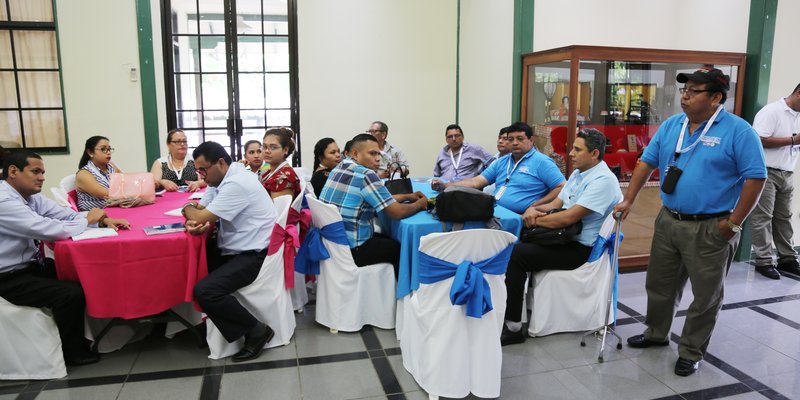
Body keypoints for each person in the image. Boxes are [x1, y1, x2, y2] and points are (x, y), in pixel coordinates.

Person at [615, 67, 766, 377]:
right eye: (684, 90)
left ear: (715, 98)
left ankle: (691, 350)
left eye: (694, 91)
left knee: (706, 295)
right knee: (660, 284)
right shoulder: (673, 126)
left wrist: (734, 223)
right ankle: (657, 333)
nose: (684, 95)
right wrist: (629, 199)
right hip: (669, 221)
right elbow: (647, 162)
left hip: (712, 227)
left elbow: (756, 178)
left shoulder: (738, 131)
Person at [0, 149, 129, 366]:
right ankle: (73, 352)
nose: (42, 177)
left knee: (80, 272)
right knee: (70, 294)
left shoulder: (29, 197)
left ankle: (106, 330)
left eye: (43, 172)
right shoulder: (4, 201)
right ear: (13, 171)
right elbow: (45, 229)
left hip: (30, 266)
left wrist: (101, 220)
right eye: (36, 172)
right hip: (8, 277)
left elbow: (65, 215)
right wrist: (88, 220)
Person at [500, 129, 622, 345]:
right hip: (561, 238)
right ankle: (508, 310)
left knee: (516, 255)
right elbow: (556, 206)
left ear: (594, 154)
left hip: (580, 250)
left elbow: (568, 218)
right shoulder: (578, 173)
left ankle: (513, 327)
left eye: (577, 149)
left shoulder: (603, 181)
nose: (571, 154)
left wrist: (534, 221)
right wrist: (533, 209)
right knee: (513, 242)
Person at [181, 141, 278, 362]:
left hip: (255, 254)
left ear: (221, 163)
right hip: (236, 247)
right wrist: (197, 218)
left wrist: (188, 212)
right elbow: (202, 210)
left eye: (204, 170)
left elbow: (197, 214)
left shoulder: (237, 183)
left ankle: (257, 330)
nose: (201, 175)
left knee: (206, 290)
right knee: (194, 264)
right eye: (199, 170)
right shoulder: (220, 180)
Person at [319, 134, 428, 275]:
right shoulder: (366, 175)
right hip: (354, 249)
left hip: (334, 244)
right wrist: (420, 204)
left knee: (387, 237)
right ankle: (403, 294)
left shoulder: (340, 167)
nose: (377, 158)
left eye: (378, 154)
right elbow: (398, 212)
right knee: (402, 249)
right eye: (372, 154)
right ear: (355, 154)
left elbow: (378, 198)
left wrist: (409, 196)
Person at [431, 121, 565, 215]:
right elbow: (476, 182)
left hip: (520, 216)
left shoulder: (541, 162)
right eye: (510, 139)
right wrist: (448, 185)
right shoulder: (503, 161)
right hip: (495, 212)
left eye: (520, 139)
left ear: (531, 140)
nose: (515, 143)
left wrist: (536, 206)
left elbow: (562, 187)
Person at [749, 83, 800, 279]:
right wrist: (794, 140)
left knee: (784, 217)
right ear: (798, 93)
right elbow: (758, 140)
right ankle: (764, 261)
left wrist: (796, 143)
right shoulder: (771, 111)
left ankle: (787, 259)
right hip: (766, 172)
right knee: (763, 217)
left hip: (787, 172)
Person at [75, 136, 122, 211]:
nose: (108, 152)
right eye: (103, 149)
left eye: (109, 149)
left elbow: (125, 182)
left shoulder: (111, 166)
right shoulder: (83, 174)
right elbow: (107, 195)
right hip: (97, 217)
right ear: (90, 152)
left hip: (116, 208)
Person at [261, 127, 301, 199]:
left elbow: (279, 210)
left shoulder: (283, 178)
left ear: (285, 150)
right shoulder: (270, 171)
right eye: (264, 146)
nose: (267, 151)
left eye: (273, 147)